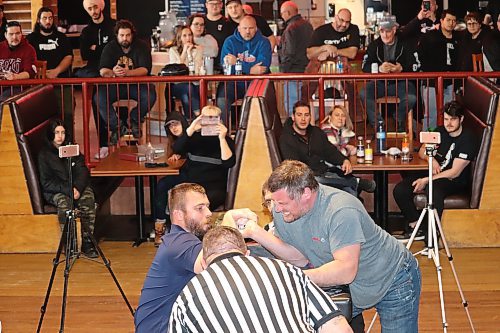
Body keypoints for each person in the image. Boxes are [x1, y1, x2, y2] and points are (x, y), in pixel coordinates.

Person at [233, 160, 422, 332]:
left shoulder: (341, 210)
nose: (277, 209)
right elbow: (299, 257)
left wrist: (293, 279)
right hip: (351, 284)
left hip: (393, 277)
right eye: (274, 202)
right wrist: (255, 232)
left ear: (305, 193)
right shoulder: (284, 211)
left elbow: (345, 270)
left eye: (282, 203)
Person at [168, 226, 353, 333]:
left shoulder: (186, 297)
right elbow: (336, 326)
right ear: (247, 253)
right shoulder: (287, 270)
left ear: (205, 263)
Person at [393, 101, 478, 241]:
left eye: (453, 119)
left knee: (433, 191)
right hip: (434, 173)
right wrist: (431, 160)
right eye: (446, 119)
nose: (448, 123)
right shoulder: (439, 131)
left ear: (461, 119)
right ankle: (416, 226)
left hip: (453, 180)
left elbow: (455, 172)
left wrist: (426, 180)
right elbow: (421, 151)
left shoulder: (468, 139)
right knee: (400, 190)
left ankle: (431, 238)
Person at [135, 183, 213, 333]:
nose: (209, 213)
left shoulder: (180, 239)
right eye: (200, 208)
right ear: (178, 215)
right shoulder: (179, 242)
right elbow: (214, 261)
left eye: (208, 206)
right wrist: (231, 226)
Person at [154, 105, 235, 243]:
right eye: (206, 119)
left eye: (213, 119)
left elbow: (229, 163)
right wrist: (191, 128)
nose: (209, 123)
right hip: (190, 182)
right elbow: (177, 148)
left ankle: (194, 236)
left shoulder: (225, 140)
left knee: (196, 203)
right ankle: (162, 227)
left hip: (213, 186)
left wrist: (222, 137)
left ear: (219, 120)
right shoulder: (194, 137)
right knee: (165, 186)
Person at [279, 101, 375, 196]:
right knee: (317, 180)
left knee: (350, 192)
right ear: (293, 117)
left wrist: (344, 160)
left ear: (310, 117)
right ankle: (356, 182)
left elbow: (330, 151)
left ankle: (353, 192)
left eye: (306, 115)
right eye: (299, 115)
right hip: (304, 180)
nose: (303, 119)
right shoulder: (286, 138)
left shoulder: (316, 132)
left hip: (325, 172)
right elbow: (294, 166)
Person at [37, 119, 98, 258]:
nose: (60, 136)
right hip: (56, 191)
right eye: (57, 132)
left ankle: (88, 243)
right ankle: (70, 244)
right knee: (65, 205)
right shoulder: (44, 155)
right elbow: (46, 183)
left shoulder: (72, 149)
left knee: (88, 199)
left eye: (63, 132)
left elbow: (83, 171)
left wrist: (77, 187)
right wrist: (68, 189)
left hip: (77, 187)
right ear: (50, 134)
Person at [96, 19, 156, 151]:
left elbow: (145, 69)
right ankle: (117, 127)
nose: (125, 38)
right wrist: (113, 72)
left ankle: (134, 119)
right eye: (122, 35)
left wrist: (127, 73)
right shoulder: (110, 47)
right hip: (115, 85)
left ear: (132, 35)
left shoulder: (141, 46)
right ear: (117, 35)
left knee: (150, 94)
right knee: (99, 97)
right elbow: (102, 70)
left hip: (136, 85)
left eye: (128, 35)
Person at [359, 15, 418, 128]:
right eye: (382, 31)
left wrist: (402, 69)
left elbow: (416, 64)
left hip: (401, 82)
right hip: (379, 82)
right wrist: (379, 68)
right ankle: (378, 124)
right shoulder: (374, 45)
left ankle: (398, 117)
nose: (385, 35)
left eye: (388, 31)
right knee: (364, 93)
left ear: (394, 30)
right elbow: (364, 66)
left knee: (411, 98)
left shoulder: (406, 44)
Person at [305, 8, 361, 120]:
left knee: (351, 85)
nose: (344, 24)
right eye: (341, 20)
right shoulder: (321, 31)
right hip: (319, 72)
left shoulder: (353, 29)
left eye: (347, 22)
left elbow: (352, 53)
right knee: (306, 87)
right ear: (335, 17)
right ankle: (306, 114)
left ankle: (355, 117)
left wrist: (332, 52)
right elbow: (309, 53)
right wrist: (324, 48)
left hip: (343, 71)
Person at [77, 0, 116, 159]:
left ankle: (121, 131)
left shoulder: (114, 26)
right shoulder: (86, 31)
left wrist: (96, 48)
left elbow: (116, 48)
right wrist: (102, 49)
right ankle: (103, 144)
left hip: (114, 72)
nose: (93, 11)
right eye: (89, 9)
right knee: (96, 102)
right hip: (95, 73)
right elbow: (85, 54)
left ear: (101, 6)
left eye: (95, 7)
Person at [217, 15, 272, 125]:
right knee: (221, 101)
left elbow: (263, 66)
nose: (248, 31)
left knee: (257, 103)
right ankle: (222, 135)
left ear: (256, 28)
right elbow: (226, 65)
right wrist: (250, 69)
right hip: (233, 83)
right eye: (245, 28)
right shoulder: (229, 42)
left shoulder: (264, 42)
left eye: (251, 28)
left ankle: (252, 135)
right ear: (239, 28)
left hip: (256, 83)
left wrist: (236, 63)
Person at [27, 7, 74, 130]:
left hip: (61, 83)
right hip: (39, 84)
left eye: (50, 18)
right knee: (41, 117)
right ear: (38, 20)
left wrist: (56, 71)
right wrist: (42, 73)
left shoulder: (62, 37)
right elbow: (28, 60)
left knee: (67, 114)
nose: (48, 21)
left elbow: (68, 57)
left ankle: (68, 144)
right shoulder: (30, 39)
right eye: (44, 18)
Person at [418, 9, 460, 130]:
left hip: (451, 82)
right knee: (431, 114)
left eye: (454, 20)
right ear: (441, 21)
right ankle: (428, 143)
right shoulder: (430, 37)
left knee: (450, 114)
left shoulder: (459, 39)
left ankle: (446, 141)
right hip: (431, 82)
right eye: (448, 20)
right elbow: (421, 56)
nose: (451, 23)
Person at [152, 111, 189, 246]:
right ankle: (161, 225)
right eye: (170, 126)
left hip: (195, 174)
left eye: (176, 124)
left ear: (183, 123)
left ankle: (160, 227)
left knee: (162, 186)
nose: (174, 128)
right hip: (182, 172)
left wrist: (181, 155)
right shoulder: (173, 142)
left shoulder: (189, 135)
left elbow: (189, 150)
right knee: (162, 185)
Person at [278, 1, 314, 115]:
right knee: (303, 106)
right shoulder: (308, 25)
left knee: (292, 107)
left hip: (293, 72)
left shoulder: (290, 28)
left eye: (282, 14)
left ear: (287, 13)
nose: (282, 17)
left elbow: (289, 53)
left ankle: (294, 131)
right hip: (307, 71)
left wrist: (283, 71)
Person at [166, 25, 203, 116]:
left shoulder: (198, 49)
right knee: (188, 88)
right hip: (178, 84)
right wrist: (184, 52)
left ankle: (189, 120)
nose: (188, 38)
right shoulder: (173, 50)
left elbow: (197, 68)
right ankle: (197, 113)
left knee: (186, 94)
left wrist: (189, 55)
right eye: (184, 36)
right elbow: (177, 68)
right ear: (179, 38)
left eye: (190, 35)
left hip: (194, 83)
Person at [0, 21, 36, 101]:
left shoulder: (29, 49)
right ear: (5, 35)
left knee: (4, 98)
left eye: (17, 33)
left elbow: (29, 73)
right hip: (2, 86)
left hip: (19, 87)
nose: (14, 37)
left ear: (21, 34)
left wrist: (15, 77)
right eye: (11, 34)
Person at [203, 0, 233, 73]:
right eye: (211, 4)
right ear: (206, 5)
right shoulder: (200, 22)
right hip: (203, 66)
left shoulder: (228, 23)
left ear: (221, 5)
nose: (214, 6)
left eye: (217, 3)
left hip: (222, 66)